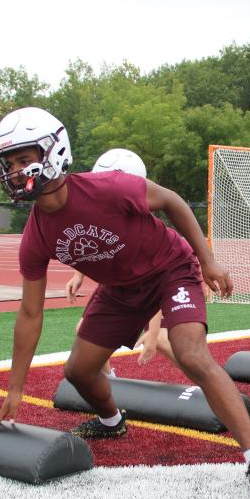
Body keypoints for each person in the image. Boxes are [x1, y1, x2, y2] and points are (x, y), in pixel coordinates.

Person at [0, 107, 250, 494]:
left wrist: (207, 259)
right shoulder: (35, 236)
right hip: (120, 292)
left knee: (190, 352)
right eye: (9, 164)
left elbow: (172, 201)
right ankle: (112, 421)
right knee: (78, 371)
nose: (15, 172)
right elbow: (29, 313)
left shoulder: (107, 187)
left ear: (54, 153)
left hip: (169, 270)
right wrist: (15, 388)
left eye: (24, 160)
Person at [65, 149, 177, 368]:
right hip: (120, 286)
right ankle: (110, 388)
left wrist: (153, 334)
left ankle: (210, 384)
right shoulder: (101, 213)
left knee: (163, 340)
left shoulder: (146, 233)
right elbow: (93, 242)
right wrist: (78, 273)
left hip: (153, 285)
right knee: (84, 330)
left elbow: (156, 287)